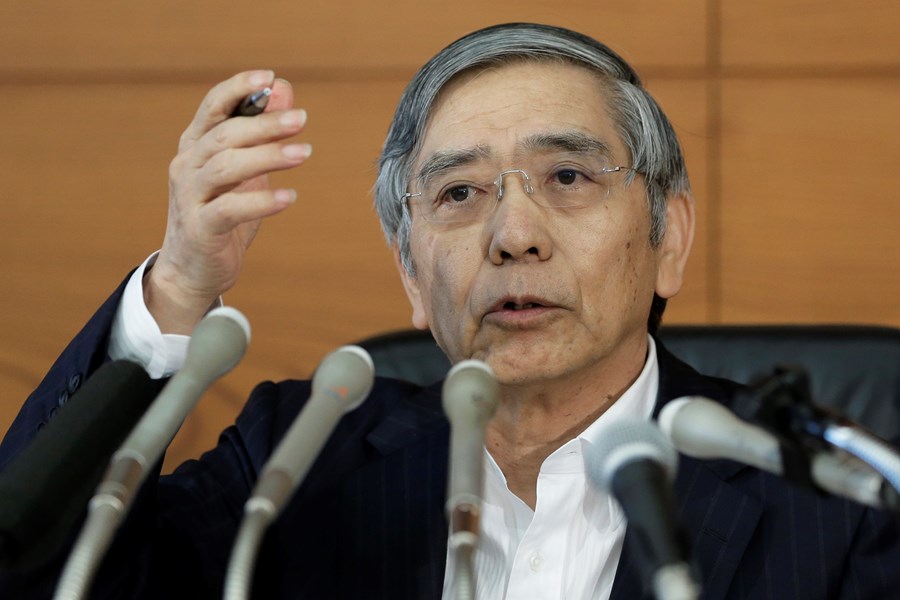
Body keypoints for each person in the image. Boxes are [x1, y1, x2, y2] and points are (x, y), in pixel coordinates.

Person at [1, 22, 898, 599]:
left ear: (669, 237)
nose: (514, 235)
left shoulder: (831, 498)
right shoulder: (296, 460)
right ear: (408, 269)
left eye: (568, 177)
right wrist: (181, 287)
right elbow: (36, 567)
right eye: (460, 193)